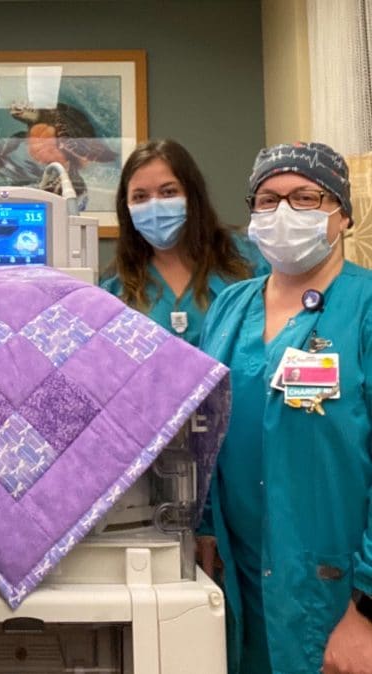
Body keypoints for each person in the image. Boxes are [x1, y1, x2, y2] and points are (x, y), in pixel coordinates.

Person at [198, 141, 372, 674]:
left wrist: (366, 610)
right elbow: (203, 427)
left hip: (337, 591)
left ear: (341, 214)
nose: (283, 213)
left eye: (305, 197)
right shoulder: (231, 306)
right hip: (240, 579)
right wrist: (204, 525)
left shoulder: (363, 310)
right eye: (268, 201)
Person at [101, 139, 269, 346]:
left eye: (168, 192)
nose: (155, 205)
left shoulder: (248, 259)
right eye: (140, 196)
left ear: (192, 196)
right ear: (126, 206)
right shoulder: (114, 288)